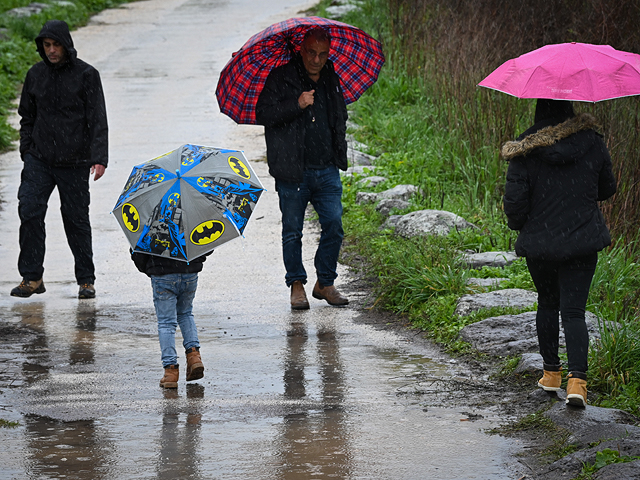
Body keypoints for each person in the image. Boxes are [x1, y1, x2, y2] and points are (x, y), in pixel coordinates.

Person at [503, 99, 617, 407]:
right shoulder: (592, 142)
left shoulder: (524, 150)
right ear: (570, 110)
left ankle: (551, 375)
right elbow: (607, 187)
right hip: (582, 240)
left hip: (541, 243)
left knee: (547, 303)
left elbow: (514, 204)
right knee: (574, 311)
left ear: (539, 112)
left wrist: (523, 225)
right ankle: (577, 382)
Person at [11, 19, 108, 299]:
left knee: (76, 219)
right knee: (29, 211)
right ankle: (31, 277)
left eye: (56, 45)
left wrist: (99, 157)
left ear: (66, 45)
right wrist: (27, 149)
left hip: (75, 161)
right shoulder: (35, 74)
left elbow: (97, 119)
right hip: (39, 159)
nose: (51, 50)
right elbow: (27, 116)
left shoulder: (87, 75)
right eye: (46, 45)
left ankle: (86, 280)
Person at [255, 27, 349, 310]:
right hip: (292, 169)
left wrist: (337, 153)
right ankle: (297, 284)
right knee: (292, 231)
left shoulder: (331, 78)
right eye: (311, 52)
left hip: (326, 167)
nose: (316, 59)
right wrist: (296, 104)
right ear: (301, 49)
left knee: (334, 225)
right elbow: (264, 114)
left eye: (322, 54)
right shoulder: (280, 77)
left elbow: (339, 116)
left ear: (328, 53)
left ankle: (325, 282)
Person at [131, 251, 207, 389]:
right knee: (185, 313)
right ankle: (194, 356)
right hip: (189, 270)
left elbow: (137, 248)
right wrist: (196, 260)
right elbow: (206, 243)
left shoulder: (149, 227)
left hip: (162, 271)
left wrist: (149, 267)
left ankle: (170, 371)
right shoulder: (187, 227)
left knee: (166, 323)